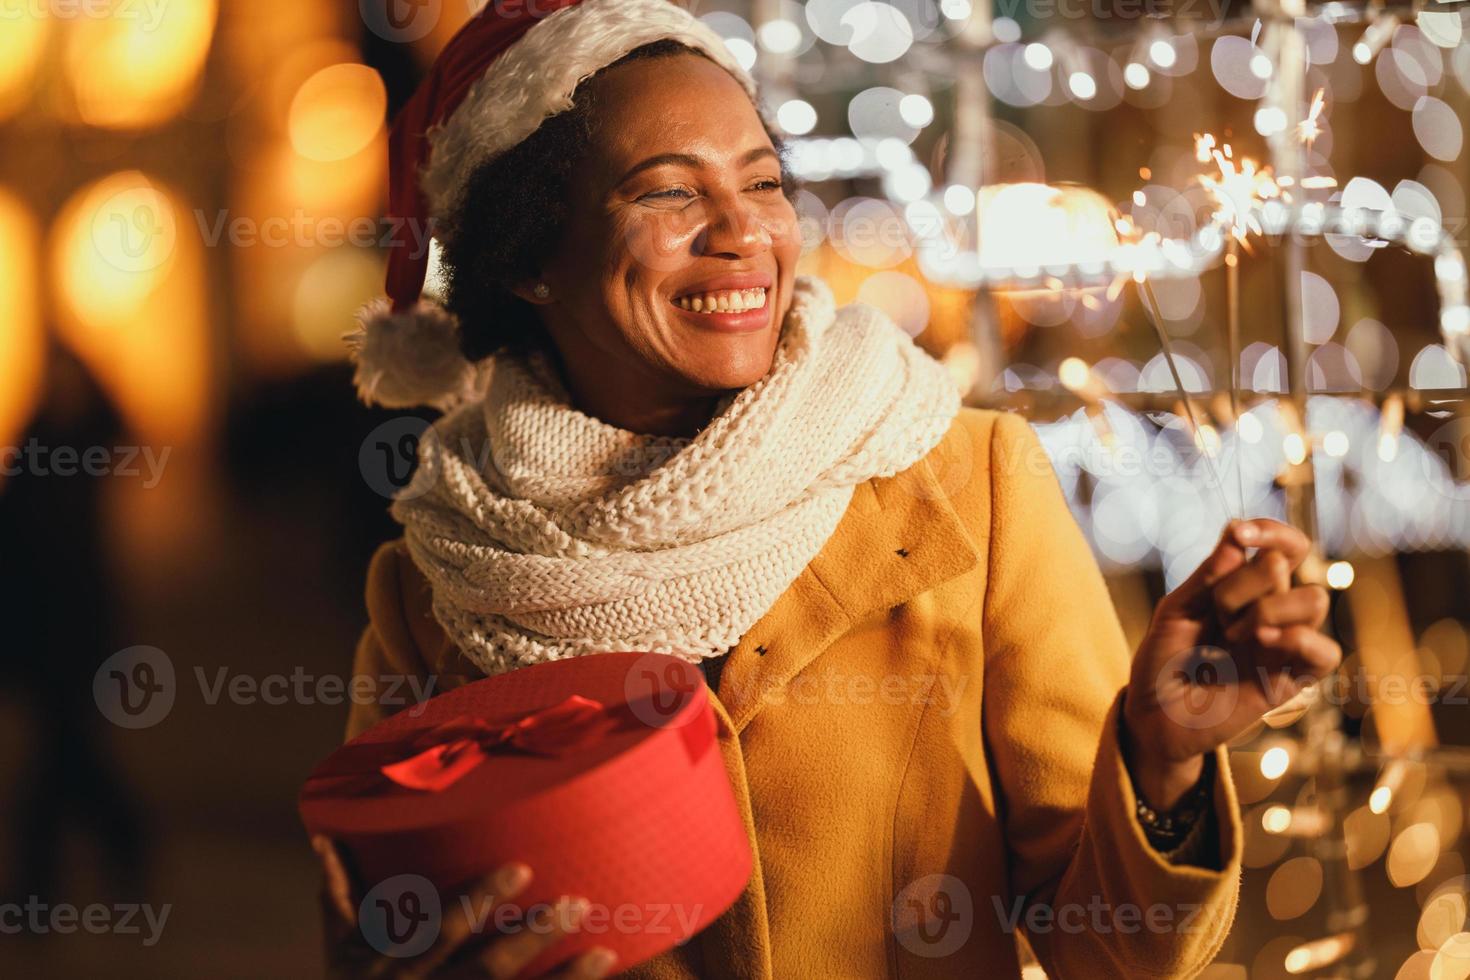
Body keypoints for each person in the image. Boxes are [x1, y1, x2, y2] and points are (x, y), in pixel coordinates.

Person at [313, 2, 1341, 977]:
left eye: (762, 183)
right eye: (670, 190)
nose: (742, 232)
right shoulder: (436, 585)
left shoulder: (968, 481)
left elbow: (1112, 950)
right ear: (530, 256)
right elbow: (383, 922)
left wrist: (1159, 761)